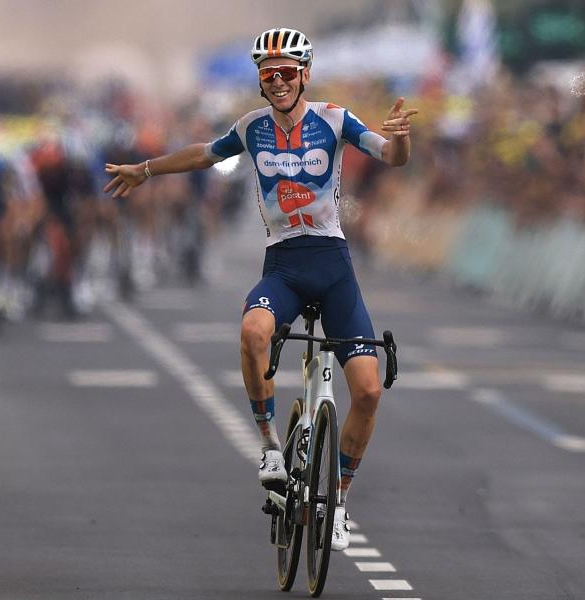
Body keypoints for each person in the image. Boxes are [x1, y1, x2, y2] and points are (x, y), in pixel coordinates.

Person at [104, 28, 417, 551]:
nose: (276, 83)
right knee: (253, 331)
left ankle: (339, 500)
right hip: (284, 266)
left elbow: (392, 156)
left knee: (366, 390)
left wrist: (403, 137)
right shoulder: (252, 128)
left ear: (305, 75)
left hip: (333, 263)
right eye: (267, 74)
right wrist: (146, 169)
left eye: (287, 73)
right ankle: (271, 446)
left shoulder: (336, 118)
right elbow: (205, 154)